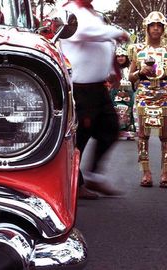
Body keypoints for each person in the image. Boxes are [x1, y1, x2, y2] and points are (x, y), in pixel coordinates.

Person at [59, 0, 129, 199]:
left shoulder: (93, 14)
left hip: (98, 87)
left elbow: (103, 43)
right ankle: (76, 183)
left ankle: (94, 176)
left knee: (111, 128)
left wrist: (112, 69)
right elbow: (84, 32)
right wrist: (117, 32)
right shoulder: (68, 11)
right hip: (80, 89)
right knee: (79, 137)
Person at [128, 11, 167, 188]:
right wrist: (140, 72)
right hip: (144, 97)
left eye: (159, 25)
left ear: (163, 29)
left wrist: (166, 74)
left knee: (165, 136)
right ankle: (146, 173)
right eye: (153, 25)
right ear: (147, 28)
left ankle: (165, 174)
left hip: (164, 97)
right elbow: (130, 77)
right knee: (143, 136)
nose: (156, 29)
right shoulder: (137, 50)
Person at [109, 47, 136, 140]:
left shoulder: (131, 68)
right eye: (118, 56)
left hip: (129, 92)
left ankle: (130, 131)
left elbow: (135, 80)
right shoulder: (111, 68)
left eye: (122, 56)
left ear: (126, 57)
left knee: (129, 111)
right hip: (115, 92)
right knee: (116, 111)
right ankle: (116, 131)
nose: (120, 58)